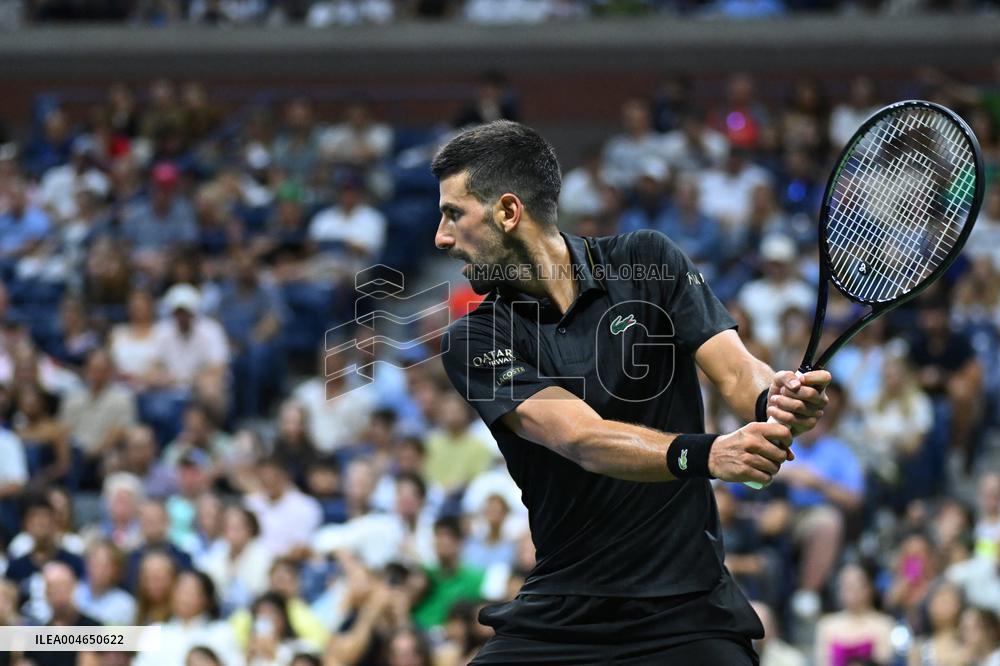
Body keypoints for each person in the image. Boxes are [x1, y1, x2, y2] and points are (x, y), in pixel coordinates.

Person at [431, 120, 830, 663]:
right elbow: (580, 438)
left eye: (454, 214)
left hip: (687, 609)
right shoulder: (476, 338)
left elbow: (739, 374)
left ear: (507, 211)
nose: (442, 237)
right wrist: (709, 453)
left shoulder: (648, 262)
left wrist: (775, 397)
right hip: (562, 615)